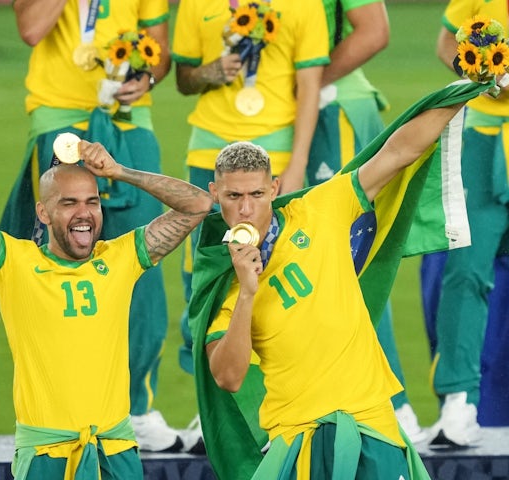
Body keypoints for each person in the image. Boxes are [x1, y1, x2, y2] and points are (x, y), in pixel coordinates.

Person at [188, 79, 491, 479]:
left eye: (257, 195)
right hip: (299, 443)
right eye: (233, 197)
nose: (246, 209)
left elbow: (399, 151)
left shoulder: (321, 207)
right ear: (215, 194)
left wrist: (465, 90)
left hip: (371, 426)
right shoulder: (222, 284)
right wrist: (247, 292)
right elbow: (228, 377)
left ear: (274, 188)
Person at [0, 90, 213, 478]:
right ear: (44, 212)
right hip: (47, 456)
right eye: (69, 203)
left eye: (92, 202)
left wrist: (120, 172)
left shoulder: (120, 258)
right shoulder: (14, 262)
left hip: (113, 453)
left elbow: (199, 205)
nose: (84, 213)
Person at [0, 0, 184, 452]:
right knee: (58, 268)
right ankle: (59, 409)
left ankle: (137, 409)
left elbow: (160, 51)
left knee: (142, 270)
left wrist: (146, 77)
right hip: (58, 121)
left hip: (128, 124)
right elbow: (31, 29)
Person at [171, 0, 330, 447]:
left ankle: (277, 403)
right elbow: (182, 77)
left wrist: (296, 167)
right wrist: (209, 73)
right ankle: (209, 410)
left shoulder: (305, 6)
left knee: (280, 279)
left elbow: (309, 86)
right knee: (204, 283)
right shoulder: (195, 6)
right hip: (207, 155)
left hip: (275, 156)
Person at [309, 0, 425, 442]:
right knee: (303, 261)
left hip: (331, 108)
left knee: (348, 263)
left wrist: (305, 82)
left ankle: (391, 403)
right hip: (291, 115)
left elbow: (374, 30)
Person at [419, 5, 509, 448]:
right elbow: (445, 45)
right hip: (484, 141)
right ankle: (459, 402)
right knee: (466, 270)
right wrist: (483, 76)